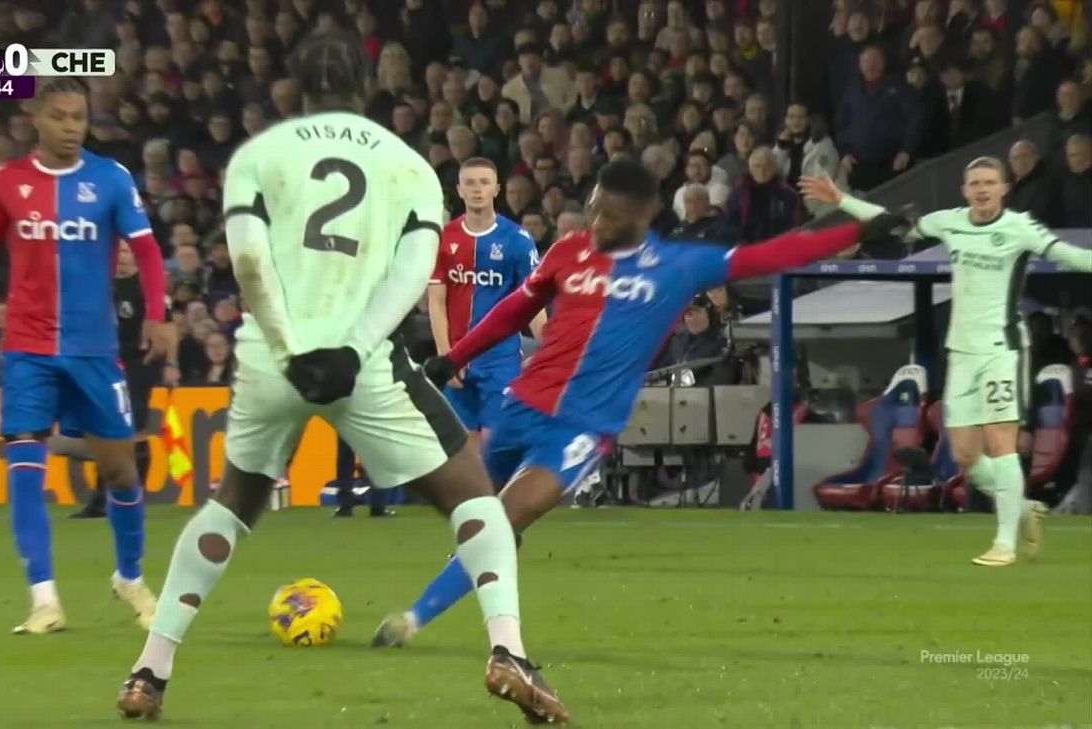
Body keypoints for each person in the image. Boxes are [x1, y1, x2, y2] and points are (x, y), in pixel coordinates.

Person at [115, 33, 567, 725]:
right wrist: (351, 349)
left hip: (272, 356)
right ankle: (508, 650)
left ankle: (152, 667)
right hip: (366, 362)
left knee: (232, 504)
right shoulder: (409, 164)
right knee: (475, 497)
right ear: (367, 88)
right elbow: (414, 270)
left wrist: (293, 349)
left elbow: (249, 261)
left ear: (293, 88)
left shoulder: (258, 156)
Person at [372, 157, 902, 648]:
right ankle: (462, 585)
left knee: (503, 522)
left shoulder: (679, 266)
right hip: (521, 406)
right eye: (595, 208)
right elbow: (516, 308)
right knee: (473, 517)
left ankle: (414, 620)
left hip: (582, 427)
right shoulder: (567, 251)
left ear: (646, 214)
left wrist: (857, 229)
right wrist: (451, 358)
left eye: (611, 214)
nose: (597, 221)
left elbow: (774, 254)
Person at [0, 78, 169, 633]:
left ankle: (129, 578)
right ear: (35, 115)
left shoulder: (110, 178)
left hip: (93, 348)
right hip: (27, 348)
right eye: (61, 116)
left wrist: (157, 314)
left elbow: (147, 249)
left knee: (120, 471)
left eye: (79, 118)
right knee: (23, 467)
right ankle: (44, 599)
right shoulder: (6, 182)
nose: (71, 127)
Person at [801, 159, 1092, 566]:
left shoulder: (1020, 226)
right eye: (976, 183)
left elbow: (1071, 255)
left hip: (1002, 349)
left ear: (1005, 189)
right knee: (968, 459)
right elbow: (891, 222)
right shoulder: (949, 222)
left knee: (1001, 444)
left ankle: (1005, 543)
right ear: (965, 189)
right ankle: (1023, 509)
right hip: (962, 352)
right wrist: (842, 199)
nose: (983, 189)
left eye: (991, 182)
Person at [429, 157, 547, 450]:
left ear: (497, 188)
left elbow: (532, 302)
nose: (477, 189)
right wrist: (447, 357)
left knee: (498, 443)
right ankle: (471, 497)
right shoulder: (445, 238)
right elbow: (436, 300)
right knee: (461, 444)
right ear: (459, 190)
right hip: (458, 357)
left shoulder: (518, 240)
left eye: (484, 182)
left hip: (500, 360)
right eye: (470, 183)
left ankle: (499, 494)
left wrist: (551, 345)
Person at [65, 241, 177, 520]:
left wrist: (172, 362)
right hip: (106, 363)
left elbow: (168, 327)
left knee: (134, 428)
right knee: (104, 430)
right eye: (118, 252)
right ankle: (102, 499)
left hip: (141, 362)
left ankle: (134, 497)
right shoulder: (98, 285)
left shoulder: (147, 287)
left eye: (127, 253)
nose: (123, 258)